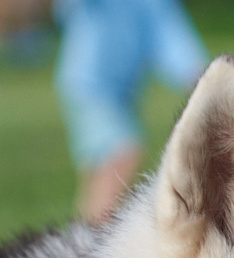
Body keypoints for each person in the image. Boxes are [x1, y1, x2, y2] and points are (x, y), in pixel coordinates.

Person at [54, 0, 207, 224]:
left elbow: (169, 37)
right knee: (121, 152)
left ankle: (86, 233)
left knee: (102, 170)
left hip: (124, 96)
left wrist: (196, 73)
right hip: (89, 88)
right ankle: (96, 233)